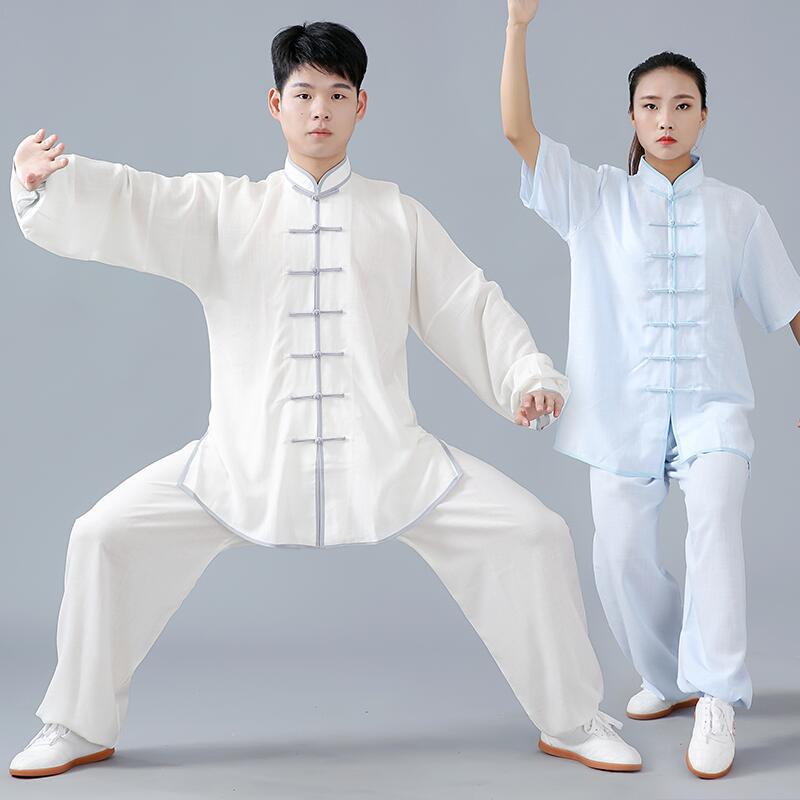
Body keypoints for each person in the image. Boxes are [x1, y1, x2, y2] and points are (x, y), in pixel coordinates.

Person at [8, 21, 641, 779]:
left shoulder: (396, 216)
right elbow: (139, 202)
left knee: (534, 534)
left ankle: (572, 718)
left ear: (360, 106)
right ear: (275, 103)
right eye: (304, 93)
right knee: (101, 536)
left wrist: (525, 376)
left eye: (337, 95)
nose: (320, 110)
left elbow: (466, 302)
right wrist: (49, 184)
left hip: (390, 460)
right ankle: (77, 724)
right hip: (242, 464)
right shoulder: (224, 211)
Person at [501, 0, 800, 781]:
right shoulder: (594, 198)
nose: (666, 119)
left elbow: (790, 306)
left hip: (712, 406)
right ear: (632, 117)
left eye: (682, 105)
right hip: (616, 412)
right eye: (651, 105)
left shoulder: (738, 212)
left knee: (715, 523)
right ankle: (667, 677)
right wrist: (517, 27)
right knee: (620, 553)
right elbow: (517, 132)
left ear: (704, 116)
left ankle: (717, 696)